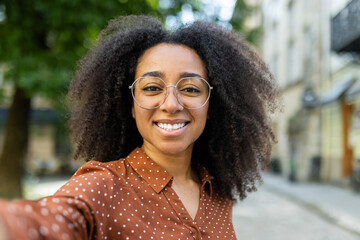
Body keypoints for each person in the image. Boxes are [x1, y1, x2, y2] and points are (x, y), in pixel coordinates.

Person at [0, 15, 280, 239]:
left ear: (211, 104)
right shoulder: (103, 186)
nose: (171, 104)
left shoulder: (217, 194)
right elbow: (45, 223)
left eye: (191, 88)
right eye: (152, 87)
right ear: (131, 105)